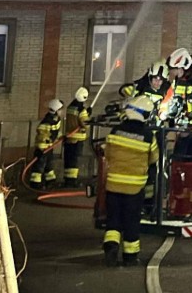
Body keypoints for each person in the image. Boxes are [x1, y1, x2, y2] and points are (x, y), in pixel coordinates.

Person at [103, 95, 160, 267]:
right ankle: (130, 257)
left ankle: (111, 248)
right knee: (131, 221)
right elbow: (154, 158)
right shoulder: (148, 136)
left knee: (113, 219)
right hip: (134, 188)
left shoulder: (115, 131)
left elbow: (107, 153)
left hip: (113, 184)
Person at [29, 98, 63, 189]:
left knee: (49, 165)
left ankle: (50, 182)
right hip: (43, 148)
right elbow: (41, 134)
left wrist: (61, 137)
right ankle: (35, 184)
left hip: (49, 147)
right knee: (39, 167)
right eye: (60, 109)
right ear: (56, 110)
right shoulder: (47, 121)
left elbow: (55, 132)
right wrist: (43, 146)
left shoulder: (56, 119)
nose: (62, 111)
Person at [63, 87, 91, 187]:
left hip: (69, 138)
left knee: (69, 159)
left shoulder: (70, 107)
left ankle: (67, 180)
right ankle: (72, 181)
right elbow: (85, 124)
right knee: (74, 160)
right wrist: (87, 115)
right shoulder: (81, 110)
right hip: (77, 139)